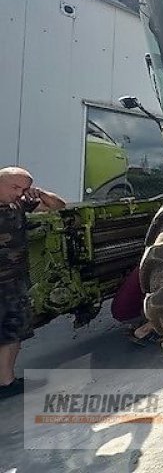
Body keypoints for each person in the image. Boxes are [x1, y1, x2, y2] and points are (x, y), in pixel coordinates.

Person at [0, 167, 65, 399]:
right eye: (14, 187)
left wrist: (41, 195)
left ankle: (6, 382)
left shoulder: (17, 205)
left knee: (13, 331)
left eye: (23, 188)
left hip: (13, 282)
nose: (19, 193)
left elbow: (58, 206)